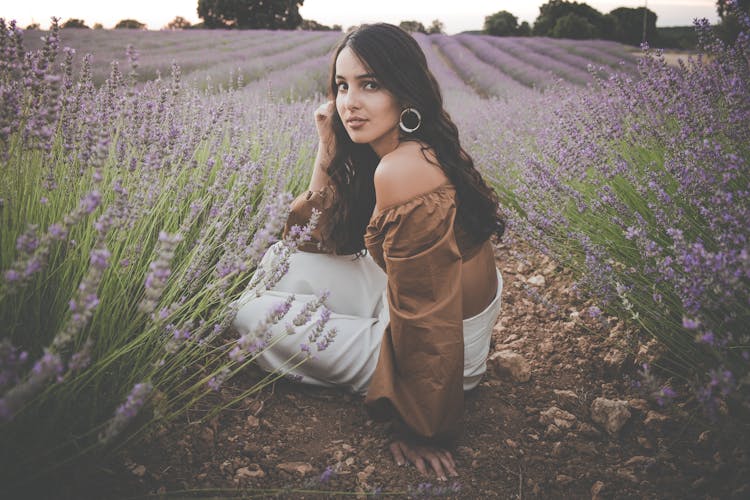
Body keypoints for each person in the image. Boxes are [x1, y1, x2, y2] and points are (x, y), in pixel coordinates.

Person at [232, 23, 505, 480]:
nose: (349, 102)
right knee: (282, 263)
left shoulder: (403, 169)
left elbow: (426, 311)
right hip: (400, 302)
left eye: (370, 84)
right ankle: (351, 336)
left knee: (247, 318)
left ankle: (376, 371)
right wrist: (326, 147)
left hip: (446, 354)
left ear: (405, 90)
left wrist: (422, 426)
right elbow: (314, 236)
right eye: (342, 86)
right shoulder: (401, 148)